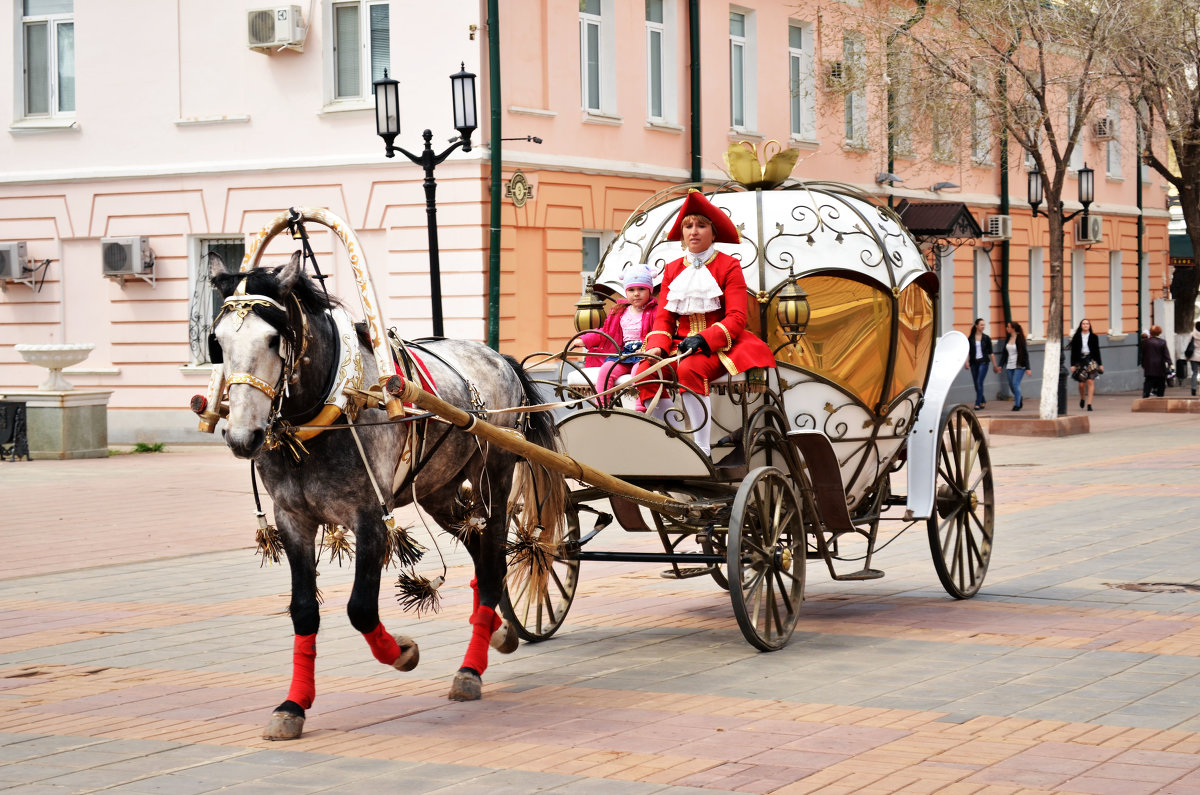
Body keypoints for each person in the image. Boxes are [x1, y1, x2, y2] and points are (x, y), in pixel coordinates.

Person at [633, 190, 776, 454]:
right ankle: (672, 438)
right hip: (679, 345)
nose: (694, 232)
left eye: (701, 225)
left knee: (690, 370)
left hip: (719, 346)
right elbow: (664, 318)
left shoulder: (728, 265)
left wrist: (704, 339)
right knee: (645, 370)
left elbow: (736, 318)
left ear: (713, 232)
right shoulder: (673, 269)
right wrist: (657, 347)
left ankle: (701, 450)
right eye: (688, 226)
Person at [572, 264, 659, 410]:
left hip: (645, 354)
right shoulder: (619, 311)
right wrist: (585, 339)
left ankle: (640, 405)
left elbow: (659, 333)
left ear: (649, 291)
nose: (636, 294)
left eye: (641, 289)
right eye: (631, 290)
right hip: (624, 353)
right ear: (626, 292)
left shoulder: (655, 311)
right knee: (607, 369)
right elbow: (606, 332)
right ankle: (602, 405)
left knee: (638, 371)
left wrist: (650, 350)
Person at [1069, 318, 1104, 411]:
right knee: (1081, 384)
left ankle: (1089, 404)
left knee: (1090, 381)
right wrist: (1072, 364)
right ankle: (1082, 398)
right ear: (1081, 326)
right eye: (1084, 324)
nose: (1085, 325)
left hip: (1091, 360)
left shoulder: (1094, 337)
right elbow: (1073, 352)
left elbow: (1097, 351)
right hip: (1080, 361)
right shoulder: (1076, 337)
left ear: (1089, 326)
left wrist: (1100, 364)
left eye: (1087, 324)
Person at [964, 318, 997, 410]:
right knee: (976, 384)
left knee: (979, 382)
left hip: (984, 362)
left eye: (984, 325)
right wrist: (966, 362)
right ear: (976, 326)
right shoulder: (970, 338)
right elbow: (968, 352)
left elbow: (991, 352)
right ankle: (983, 400)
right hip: (974, 363)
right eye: (981, 325)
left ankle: (977, 403)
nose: (983, 326)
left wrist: (995, 365)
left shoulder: (986, 338)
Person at [998, 321, 1032, 411]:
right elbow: (1004, 354)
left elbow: (1025, 353)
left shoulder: (1020, 338)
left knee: (1015, 383)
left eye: (1008, 327)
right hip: (1009, 366)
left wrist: (1028, 368)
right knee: (1011, 385)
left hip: (1019, 366)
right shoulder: (1008, 338)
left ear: (1013, 329)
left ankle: (1017, 405)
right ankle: (1019, 397)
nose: (1007, 328)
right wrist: (1000, 365)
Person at [1141, 325, 1171, 398]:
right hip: (1160, 366)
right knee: (1161, 382)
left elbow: (1143, 354)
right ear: (1159, 332)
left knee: (1148, 381)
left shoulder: (1145, 342)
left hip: (1149, 365)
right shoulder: (1162, 342)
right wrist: (1170, 364)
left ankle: (1145, 395)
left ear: (1150, 332)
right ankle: (1160, 396)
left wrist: (1143, 364)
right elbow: (1166, 355)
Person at [1187, 321, 1200, 396]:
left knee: (1194, 373)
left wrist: (1187, 356)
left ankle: (1194, 389)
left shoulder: (1192, 335)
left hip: (1194, 356)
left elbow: (1189, 345)